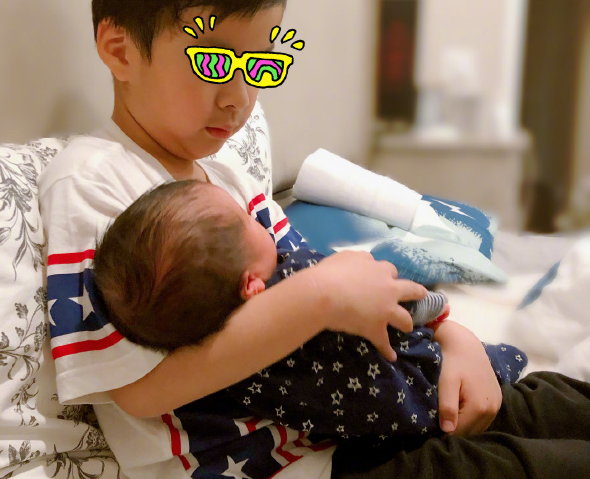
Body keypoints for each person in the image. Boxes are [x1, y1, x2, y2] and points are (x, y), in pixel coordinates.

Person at [40, 0, 590, 479]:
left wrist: (454, 337)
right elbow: (139, 389)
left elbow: (320, 275)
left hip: (365, 407)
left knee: (542, 404)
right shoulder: (92, 181)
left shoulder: (226, 171)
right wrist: (321, 299)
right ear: (120, 50)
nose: (240, 98)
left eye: (258, 63)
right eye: (215, 61)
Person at [93, 178, 527, 442]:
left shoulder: (231, 378)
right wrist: (443, 316)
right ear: (251, 284)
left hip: (401, 428)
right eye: (247, 221)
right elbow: (403, 302)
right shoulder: (298, 275)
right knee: (541, 406)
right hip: (437, 378)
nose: (259, 220)